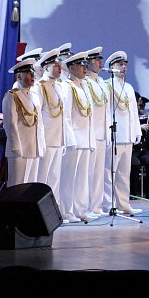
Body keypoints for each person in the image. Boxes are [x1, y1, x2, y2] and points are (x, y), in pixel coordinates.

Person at [59, 51, 98, 222]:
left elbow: (89, 115)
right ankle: (66, 210)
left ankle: (81, 209)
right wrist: (69, 139)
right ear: (71, 67)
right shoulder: (67, 86)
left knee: (83, 177)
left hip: (86, 138)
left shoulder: (84, 86)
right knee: (69, 177)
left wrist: (91, 138)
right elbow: (66, 116)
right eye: (81, 65)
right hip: (74, 138)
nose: (84, 68)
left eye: (84, 64)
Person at [103, 51, 143, 214]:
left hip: (127, 135)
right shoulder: (107, 85)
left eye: (125, 64)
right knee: (109, 172)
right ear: (112, 67)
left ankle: (124, 204)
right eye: (120, 64)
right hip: (115, 135)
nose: (124, 67)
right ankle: (109, 204)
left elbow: (133, 112)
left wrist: (137, 131)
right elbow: (106, 112)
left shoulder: (129, 87)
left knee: (124, 173)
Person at [35, 48, 73, 201]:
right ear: (46, 67)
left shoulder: (58, 86)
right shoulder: (39, 86)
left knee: (55, 177)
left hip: (58, 139)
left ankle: (53, 208)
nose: (59, 67)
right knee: (42, 178)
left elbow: (63, 116)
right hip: (47, 139)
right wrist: (40, 141)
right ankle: (39, 210)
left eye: (59, 64)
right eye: (55, 65)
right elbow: (38, 117)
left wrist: (64, 138)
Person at [2, 58, 45, 187]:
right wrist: (16, 147)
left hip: (34, 147)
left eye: (32, 73)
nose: (32, 76)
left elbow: (39, 124)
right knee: (17, 185)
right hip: (20, 149)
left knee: (30, 187)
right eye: (28, 73)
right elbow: (10, 125)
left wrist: (41, 144)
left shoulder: (34, 96)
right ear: (18, 77)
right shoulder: (12, 96)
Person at [85, 47, 111, 216]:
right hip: (91, 133)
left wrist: (108, 132)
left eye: (100, 60)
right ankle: (86, 207)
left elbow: (106, 110)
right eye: (96, 60)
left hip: (102, 132)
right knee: (88, 172)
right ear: (88, 63)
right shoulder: (86, 82)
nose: (100, 63)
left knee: (99, 172)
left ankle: (96, 206)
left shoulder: (101, 82)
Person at [131, 93, 149, 200]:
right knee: (134, 164)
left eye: (143, 106)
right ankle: (133, 192)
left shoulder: (147, 119)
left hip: (142, 150)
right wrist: (139, 127)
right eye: (139, 106)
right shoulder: (129, 117)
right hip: (131, 150)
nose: (141, 108)